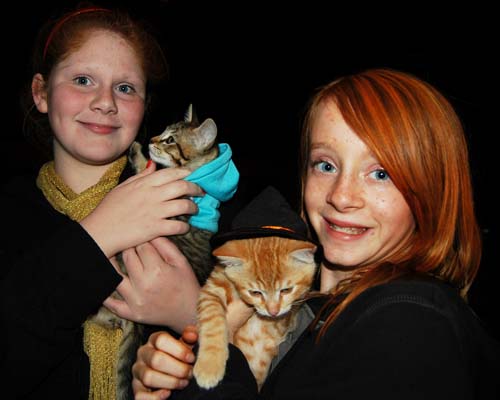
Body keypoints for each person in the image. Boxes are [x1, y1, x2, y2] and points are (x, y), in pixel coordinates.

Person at [132, 68, 500, 399]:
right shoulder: (314, 304)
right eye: (325, 165)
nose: (341, 196)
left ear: (431, 189)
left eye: (381, 173)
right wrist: (173, 377)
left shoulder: (412, 322)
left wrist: (197, 320)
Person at [0, 5, 211, 398]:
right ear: (41, 93)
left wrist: (194, 315)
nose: (105, 102)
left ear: (145, 105)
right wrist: (97, 236)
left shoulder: (188, 205)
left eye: (126, 88)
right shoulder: (10, 215)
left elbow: (249, 366)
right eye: (82, 80)